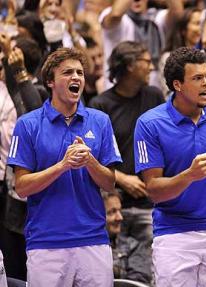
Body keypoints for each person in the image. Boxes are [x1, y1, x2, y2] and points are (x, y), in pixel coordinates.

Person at [134, 46, 206, 286]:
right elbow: (154, 189)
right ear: (177, 85)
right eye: (197, 78)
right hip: (174, 235)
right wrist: (189, 175)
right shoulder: (149, 124)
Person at [7, 47, 122, 286]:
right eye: (67, 72)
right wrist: (62, 165)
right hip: (46, 243)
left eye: (79, 72)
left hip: (93, 240)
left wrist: (90, 161)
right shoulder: (27, 125)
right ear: (50, 81)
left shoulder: (100, 121)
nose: (76, 78)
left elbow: (109, 183)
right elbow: (22, 187)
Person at [89, 41, 165, 285]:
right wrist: (122, 178)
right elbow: (92, 155)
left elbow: (165, 139)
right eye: (146, 61)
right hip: (112, 203)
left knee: (147, 274)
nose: (151, 67)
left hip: (148, 203)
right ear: (130, 65)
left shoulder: (153, 96)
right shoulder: (101, 105)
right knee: (111, 272)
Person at [102, 191, 151, 283]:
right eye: (112, 212)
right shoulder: (86, 250)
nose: (120, 217)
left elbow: (139, 280)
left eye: (119, 211)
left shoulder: (132, 245)